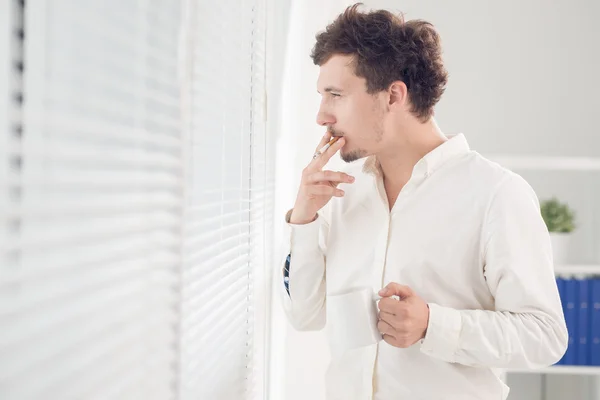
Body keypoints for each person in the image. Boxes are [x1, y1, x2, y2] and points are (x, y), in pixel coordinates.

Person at [279, 3, 568, 400]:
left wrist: (434, 325)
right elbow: (304, 316)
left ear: (394, 95)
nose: (321, 116)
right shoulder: (343, 191)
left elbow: (546, 336)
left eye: (335, 95)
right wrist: (304, 219)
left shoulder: (496, 194)